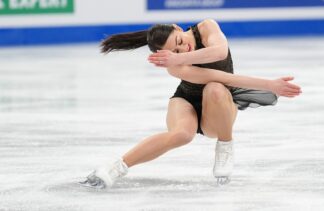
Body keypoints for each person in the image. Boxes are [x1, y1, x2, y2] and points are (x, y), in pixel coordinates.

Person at [80, 19, 302, 188]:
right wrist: (176, 61)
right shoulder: (173, 66)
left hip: (218, 104)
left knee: (215, 89)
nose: (182, 49)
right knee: (181, 134)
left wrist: (179, 56)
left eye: (179, 42)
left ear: (177, 28)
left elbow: (220, 52)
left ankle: (225, 145)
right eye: (174, 51)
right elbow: (224, 76)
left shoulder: (206, 27)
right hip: (186, 99)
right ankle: (114, 168)